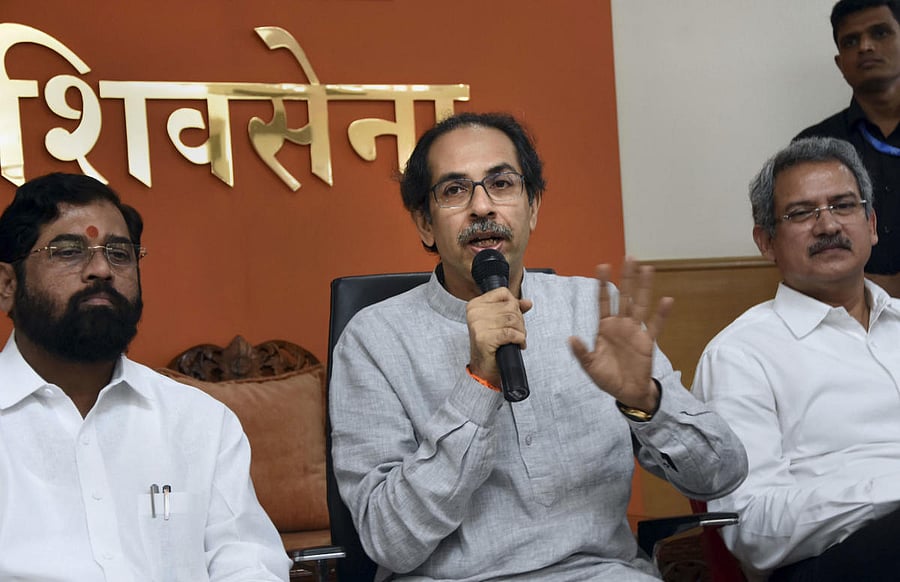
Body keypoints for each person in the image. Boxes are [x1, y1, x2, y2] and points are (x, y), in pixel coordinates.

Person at [329, 112, 748, 581]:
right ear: (425, 224)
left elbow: (721, 476)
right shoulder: (373, 341)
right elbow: (390, 541)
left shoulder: (596, 310)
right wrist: (477, 383)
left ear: (532, 208)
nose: (482, 207)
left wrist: (647, 402)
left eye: (502, 184)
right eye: (454, 190)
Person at [0, 173, 290, 581]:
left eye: (119, 253)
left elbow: (247, 562)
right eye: (68, 252)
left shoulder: (199, 422)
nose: (101, 269)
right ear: (7, 285)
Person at [692, 137, 900, 581]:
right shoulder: (740, 355)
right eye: (802, 213)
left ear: (872, 224)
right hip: (830, 561)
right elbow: (750, 528)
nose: (828, 226)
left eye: (844, 205)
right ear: (766, 242)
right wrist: (889, 492)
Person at [795, 0, 900, 296]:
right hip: (848, 316)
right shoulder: (812, 149)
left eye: (880, 33)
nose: (865, 47)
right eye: (851, 41)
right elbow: (801, 247)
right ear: (841, 63)